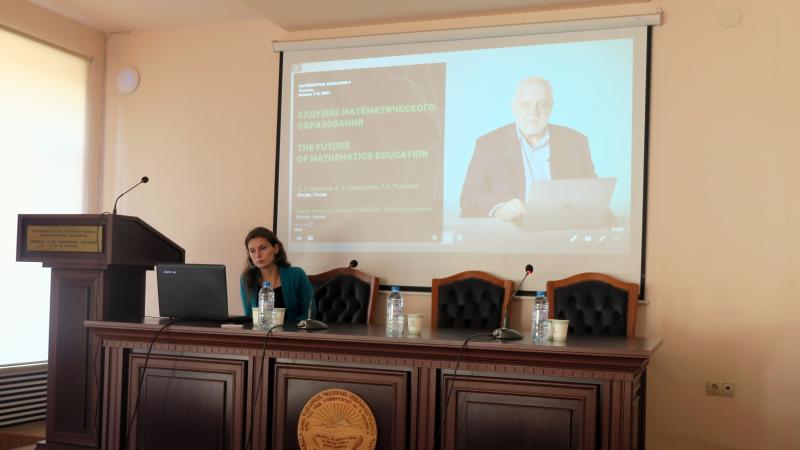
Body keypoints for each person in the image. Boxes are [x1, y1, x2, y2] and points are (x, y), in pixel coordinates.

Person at [460, 77, 597, 220]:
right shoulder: (488, 145)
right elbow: (469, 196)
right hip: (511, 229)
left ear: (551, 107)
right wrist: (500, 209)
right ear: (513, 106)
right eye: (526, 104)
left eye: (542, 104)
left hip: (564, 227)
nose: (534, 112)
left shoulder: (576, 142)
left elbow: (594, 193)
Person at [239, 226, 314, 324]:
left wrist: (287, 327)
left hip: (293, 331)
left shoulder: (297, 275)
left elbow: (310, 314)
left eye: (263, 248)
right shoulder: (246, 279)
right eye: (252, 251)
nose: (257, 255)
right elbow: (249, 318)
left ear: (276, 248)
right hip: (260, 332)